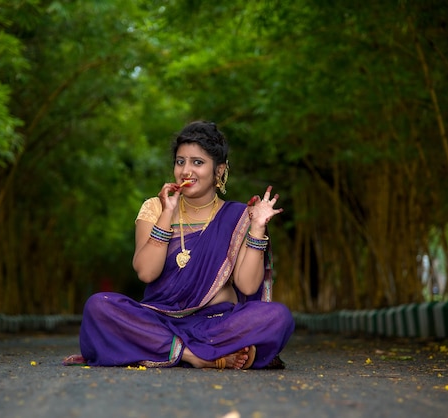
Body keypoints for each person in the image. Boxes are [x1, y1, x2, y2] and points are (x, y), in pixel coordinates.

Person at [63, 121, 295, 369]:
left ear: (219, 171)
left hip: (215, 323)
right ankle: (196, 356)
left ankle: (171, 349)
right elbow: (146, 272)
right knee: (100, 306)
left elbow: (247, 286)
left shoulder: (237, 216)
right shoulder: (155, 208)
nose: (186, 170)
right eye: (180, 161)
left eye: (197, 162)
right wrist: (167, 214)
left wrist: (257, 228)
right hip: (158, 320)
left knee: (278, 317)